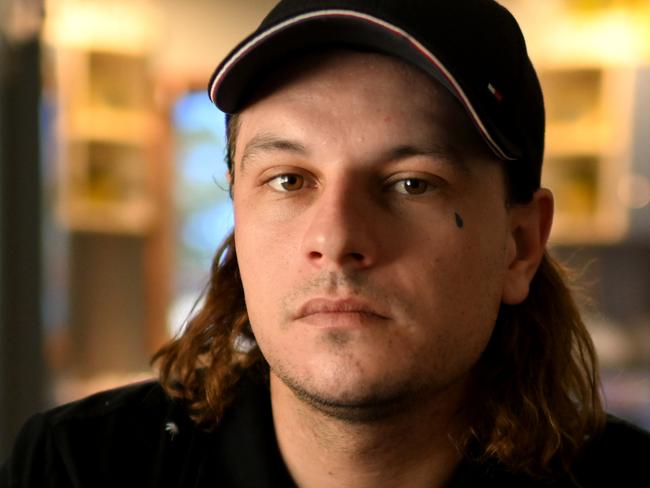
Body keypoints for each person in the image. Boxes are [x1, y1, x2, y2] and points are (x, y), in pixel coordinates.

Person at [2, 0, 650, 486]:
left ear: (520, 246)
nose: (336, 239)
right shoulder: (78, 470)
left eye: (410, 183)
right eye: (289, 179)